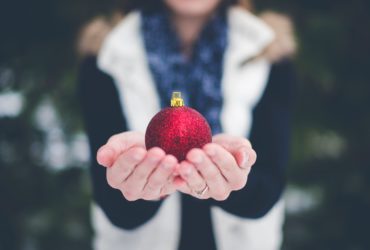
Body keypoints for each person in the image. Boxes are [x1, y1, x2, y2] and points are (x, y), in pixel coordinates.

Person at [77, 0, 296, 249]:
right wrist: (139, 184)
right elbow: (114, 206)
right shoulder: (106, 54)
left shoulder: (269, 50)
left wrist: (233, 180)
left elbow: (269, 186)